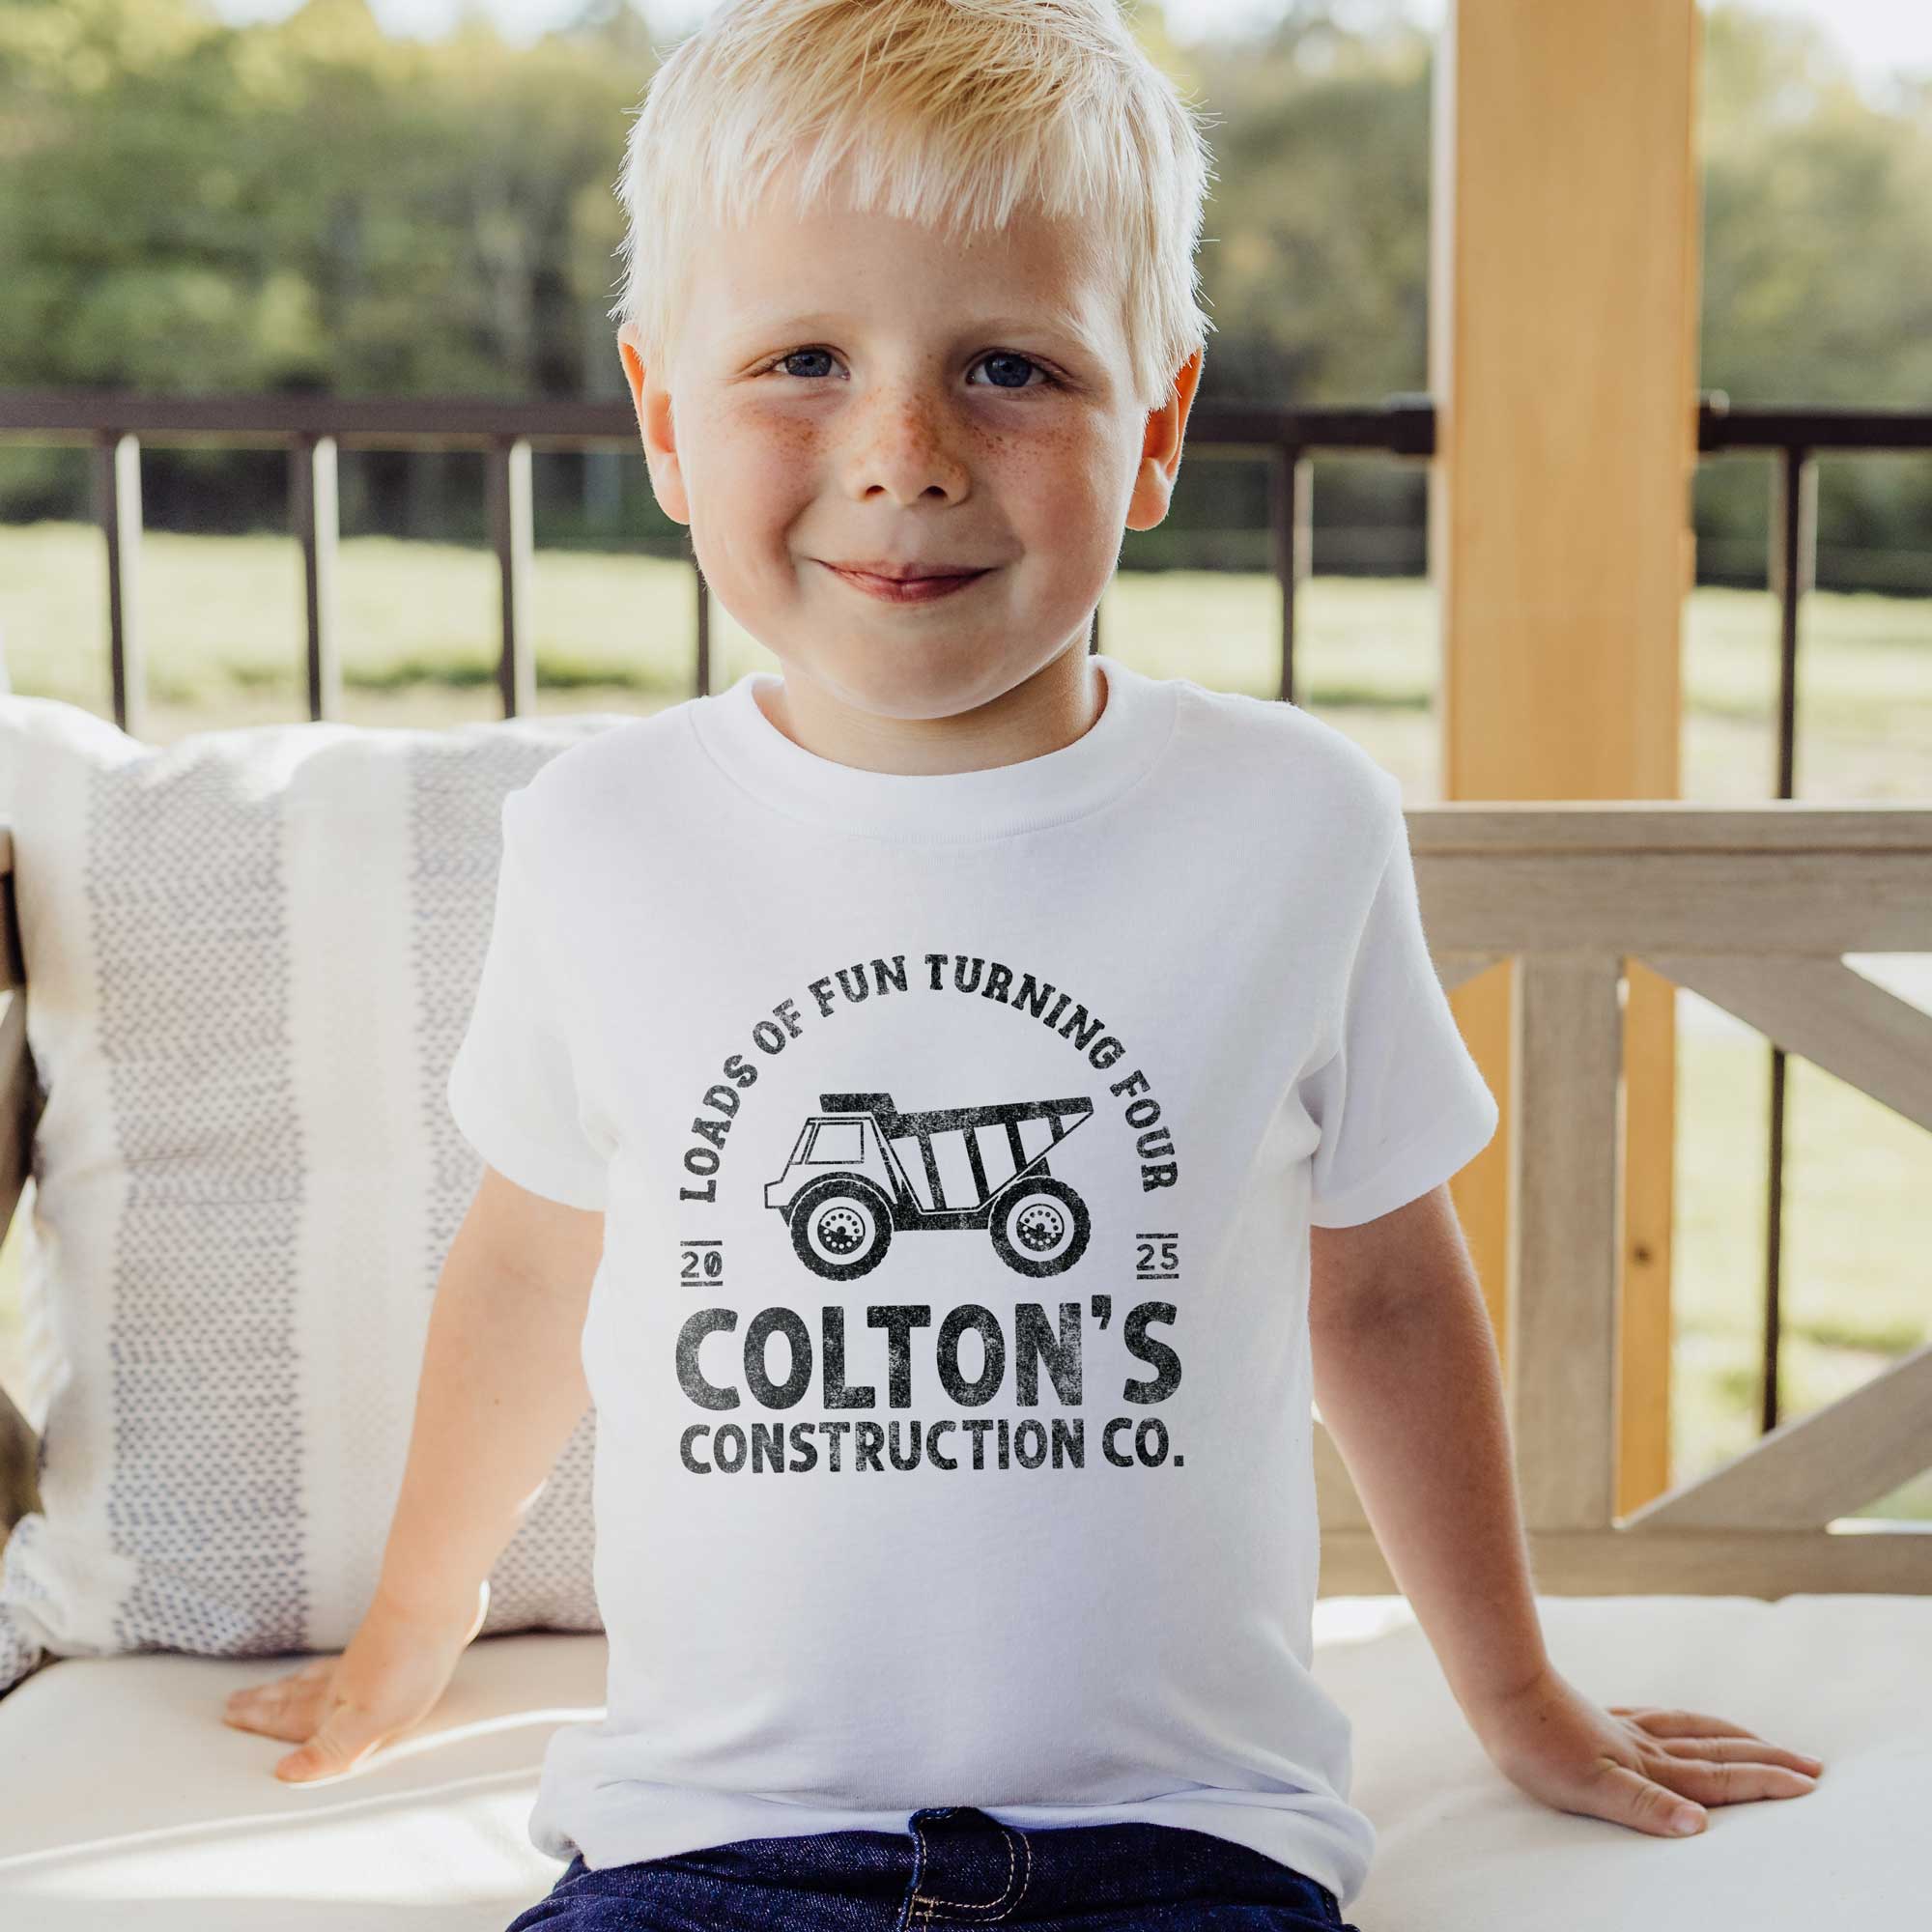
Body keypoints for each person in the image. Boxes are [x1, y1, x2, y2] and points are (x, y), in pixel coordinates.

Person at [220, 2, 1826, 1925]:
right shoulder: (605, 832)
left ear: (1154, 426)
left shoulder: (1291, 821)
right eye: (803, 358)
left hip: (1182, 1835)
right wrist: (418, 1615)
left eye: (1007, 366)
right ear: (664, 417)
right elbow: (527, 1262)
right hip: (711, 1836)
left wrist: (1511, 1689)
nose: (902, 453)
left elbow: (1383, 1293)